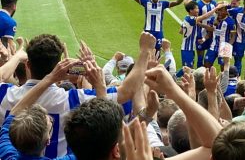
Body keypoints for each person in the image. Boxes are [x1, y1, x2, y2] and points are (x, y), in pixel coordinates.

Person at [0, 32, 155, 158]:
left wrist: (18, 56)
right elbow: (128, 90)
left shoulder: (5, 94)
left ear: (28, 64)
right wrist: (144, 53)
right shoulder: (73, 99)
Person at [119, 0, 188, 50]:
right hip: (148, 31)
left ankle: (156, 60)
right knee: (146, 50)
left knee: (158, 49)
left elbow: (177, 2)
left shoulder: (163, 4)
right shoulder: (146, 2)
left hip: (158, 32)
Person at [180, 1, 224, 68]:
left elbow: (180, 31)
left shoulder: (187, 18)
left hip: (190, 48)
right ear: (191, 10)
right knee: (186, 69)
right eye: (196, 8)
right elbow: (205, 16)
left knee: (189, 68)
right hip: (187, 48)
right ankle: (175, 76)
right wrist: (216, 8)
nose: (198, 10)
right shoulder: (192, 19)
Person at [204, 3, 236, 70]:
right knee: (206, 66)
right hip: (213, 47)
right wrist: (204, 39)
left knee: (224, 69)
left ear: (226, 11)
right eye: (218, 10)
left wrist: (227, 46)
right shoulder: (213, 19)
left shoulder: (230, 22)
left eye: (221, 10)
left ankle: (222, 80)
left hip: (224, 47)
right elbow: (209, 32)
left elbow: (233, 36)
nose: (219, 12)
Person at [196, 0, 217, 68]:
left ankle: (207, 74)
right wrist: (206, 27)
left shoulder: (214, 3)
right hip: (200, 33)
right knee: (200, 58)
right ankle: (199, 75)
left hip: (211, 34)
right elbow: (196, 21)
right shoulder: (199, 5)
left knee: (209, 58)